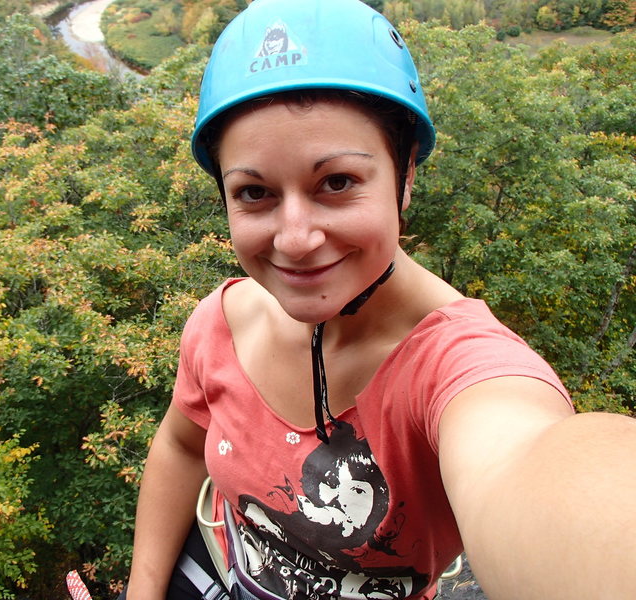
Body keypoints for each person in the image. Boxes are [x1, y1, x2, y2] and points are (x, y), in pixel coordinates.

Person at [120, 0, 636, 598]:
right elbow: (182, 446)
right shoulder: (222, 322)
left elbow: (528, 464)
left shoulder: (454, 369)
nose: (295, 238)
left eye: (337, 182)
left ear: (406, 176)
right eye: (254, 191)